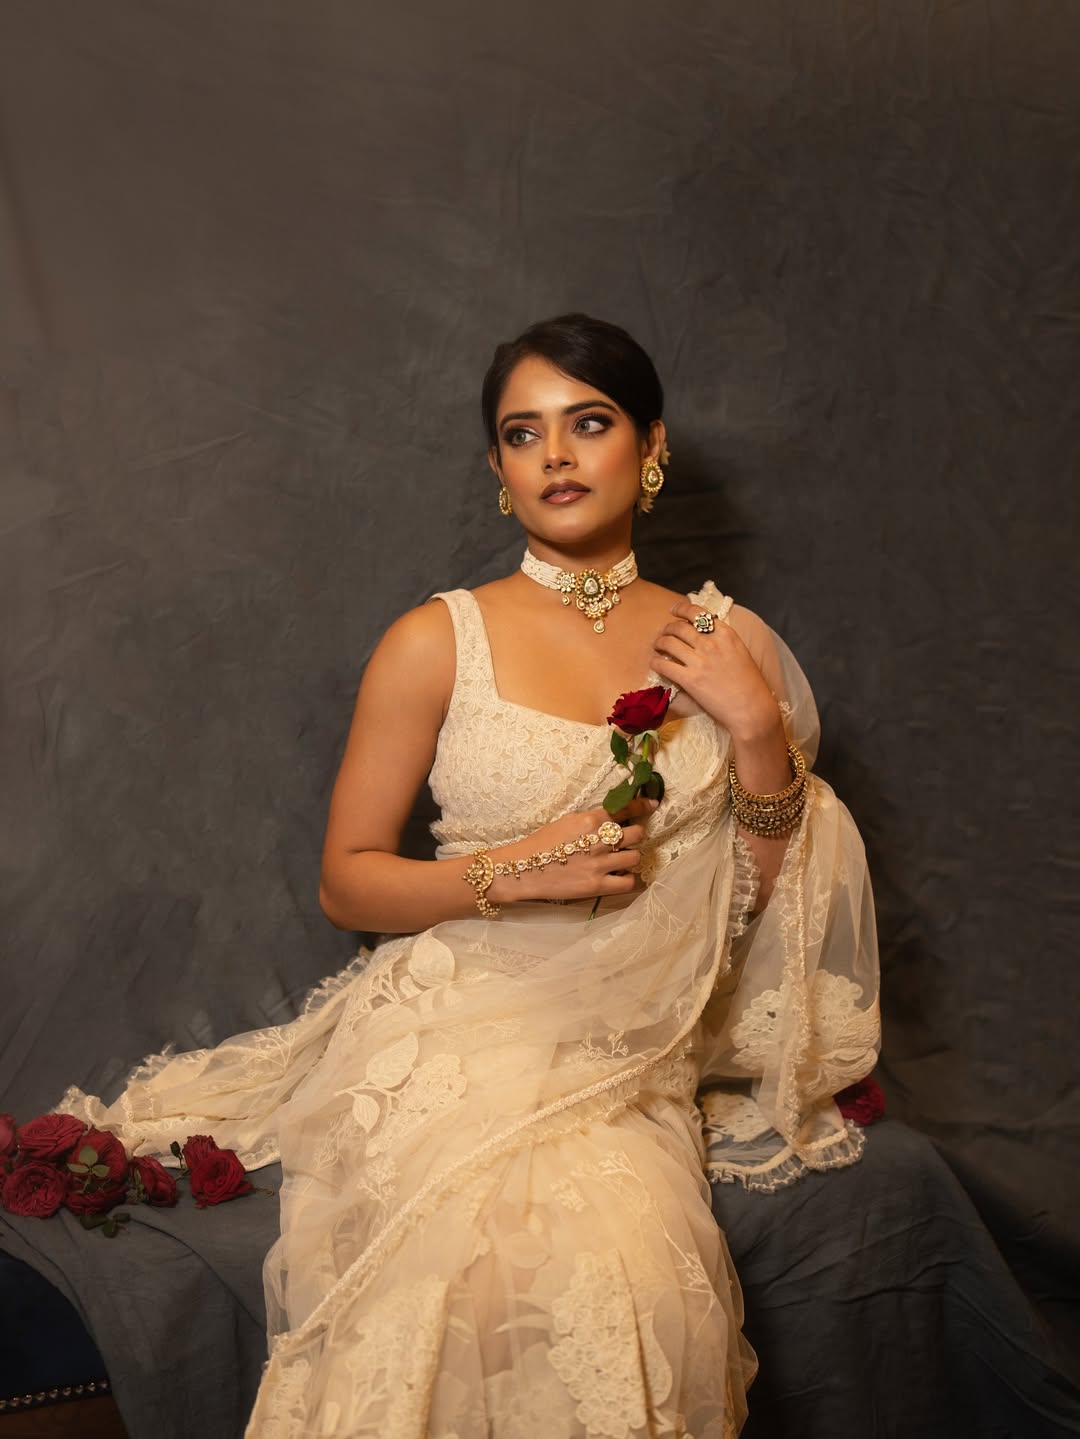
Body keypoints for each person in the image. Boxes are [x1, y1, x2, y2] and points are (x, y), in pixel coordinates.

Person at [61, 314, 880, 1437]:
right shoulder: (436, 639)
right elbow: (349, 884)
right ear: (497, 467)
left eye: (589, 422)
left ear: (650, 447)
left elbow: (768, 895)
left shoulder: (728, 642)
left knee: (635, 1277)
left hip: (635, 1026)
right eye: (523, 433)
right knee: (463, 1269)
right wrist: (517, 875)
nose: (556, 455)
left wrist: (753, 729)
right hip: (459, 1013)